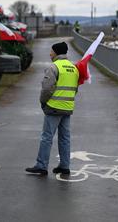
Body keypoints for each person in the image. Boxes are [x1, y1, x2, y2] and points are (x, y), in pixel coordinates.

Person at [26, 41, 79, 176]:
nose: (50, 53)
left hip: (54, 107)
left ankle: (41, 165)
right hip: (67, 108)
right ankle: (64, 166)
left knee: (46, 137)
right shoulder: (74, 68)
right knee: (64, 138)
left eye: (51, 51)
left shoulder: (54, 67)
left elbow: (46, 89)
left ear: (56, 52)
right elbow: (75, 89)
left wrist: (43, 103)